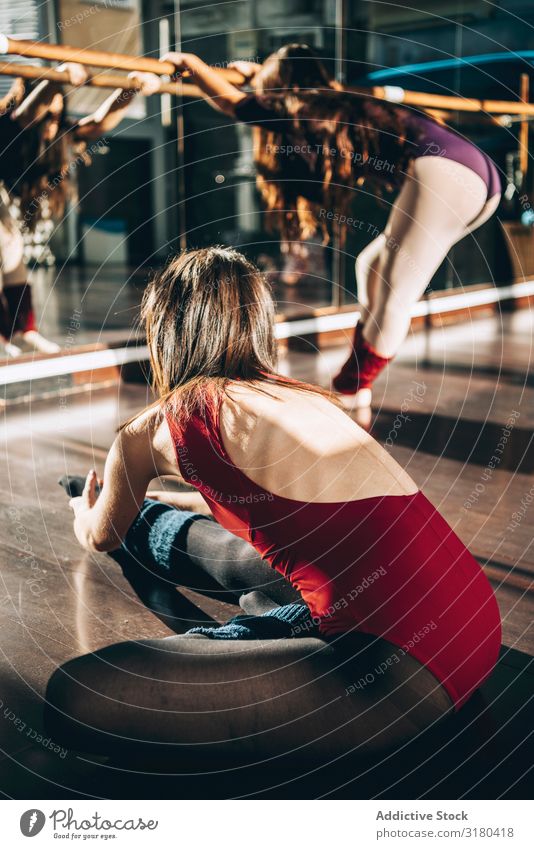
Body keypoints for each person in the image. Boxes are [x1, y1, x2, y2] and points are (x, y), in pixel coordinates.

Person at [46, 246, 501, 762]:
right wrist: (156, 497)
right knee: (238, 552)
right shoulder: (301, 400)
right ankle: (274, 618)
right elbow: (275, 508)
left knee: (76, 695)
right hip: (474, 627)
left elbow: (101, 534)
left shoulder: (153, 429)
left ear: (165, 335)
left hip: (399, 676)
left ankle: (260, 632)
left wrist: (88, 511)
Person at [153, 44, 501, 408]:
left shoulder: (307, 109)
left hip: (448, 173)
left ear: (282, 85)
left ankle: (350, 388)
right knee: (371, 264)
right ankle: (357, 378)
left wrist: (192, 64)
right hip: (475, 176)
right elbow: (271, 99)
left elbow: (233, 104)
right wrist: (258, 77)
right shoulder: (336, 102)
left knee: (396, 291)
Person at [0, 64, 159, 356]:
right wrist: (55, 79)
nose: (52, 122)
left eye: (58, 115)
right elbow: (27, 112)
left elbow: (100, 121)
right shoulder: (10, 125)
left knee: (12, 254)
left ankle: (24, 331)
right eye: (48, 114)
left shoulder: (59, 133)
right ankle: (13, 333)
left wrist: (131, 90)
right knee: (6, 245)